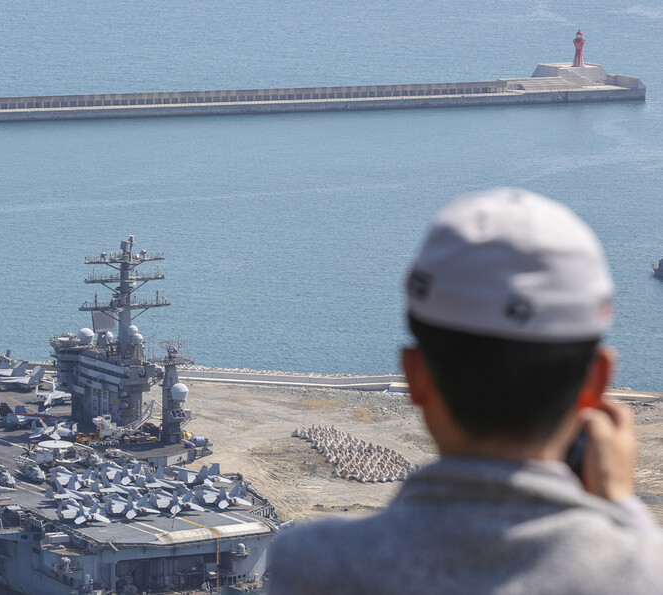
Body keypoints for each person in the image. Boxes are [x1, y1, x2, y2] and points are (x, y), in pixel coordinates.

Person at [268, 188, 663, 594]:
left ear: (414, 376)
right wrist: (620, 507)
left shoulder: (309, 564)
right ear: (597, 383)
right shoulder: (642, 570)